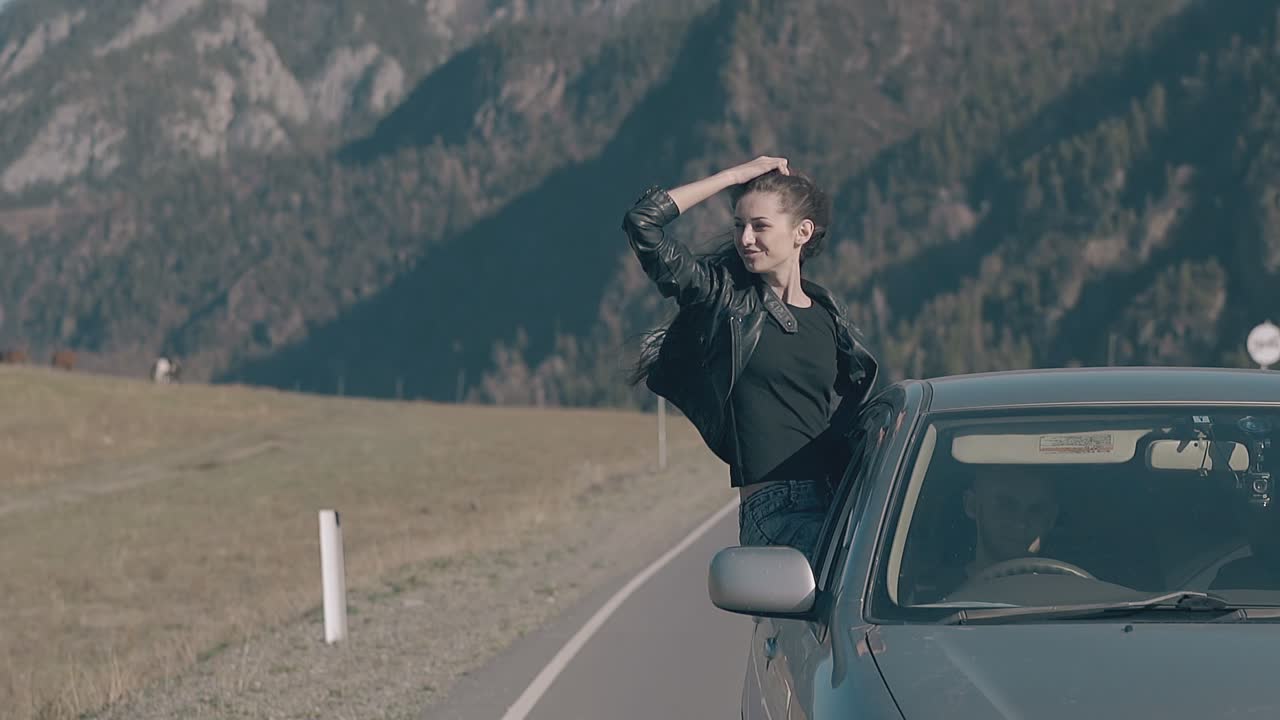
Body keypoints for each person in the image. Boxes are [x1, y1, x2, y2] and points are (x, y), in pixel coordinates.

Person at [622, 156, 879, 562]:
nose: (745, 239)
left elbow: (850, 413)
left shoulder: (828, 316)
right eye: (739, 225)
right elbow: (642, 223)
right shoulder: (724, 301)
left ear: (802, 232)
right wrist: (734, 177)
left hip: (837, 503)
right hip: (776, 512)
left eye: (759, 226)